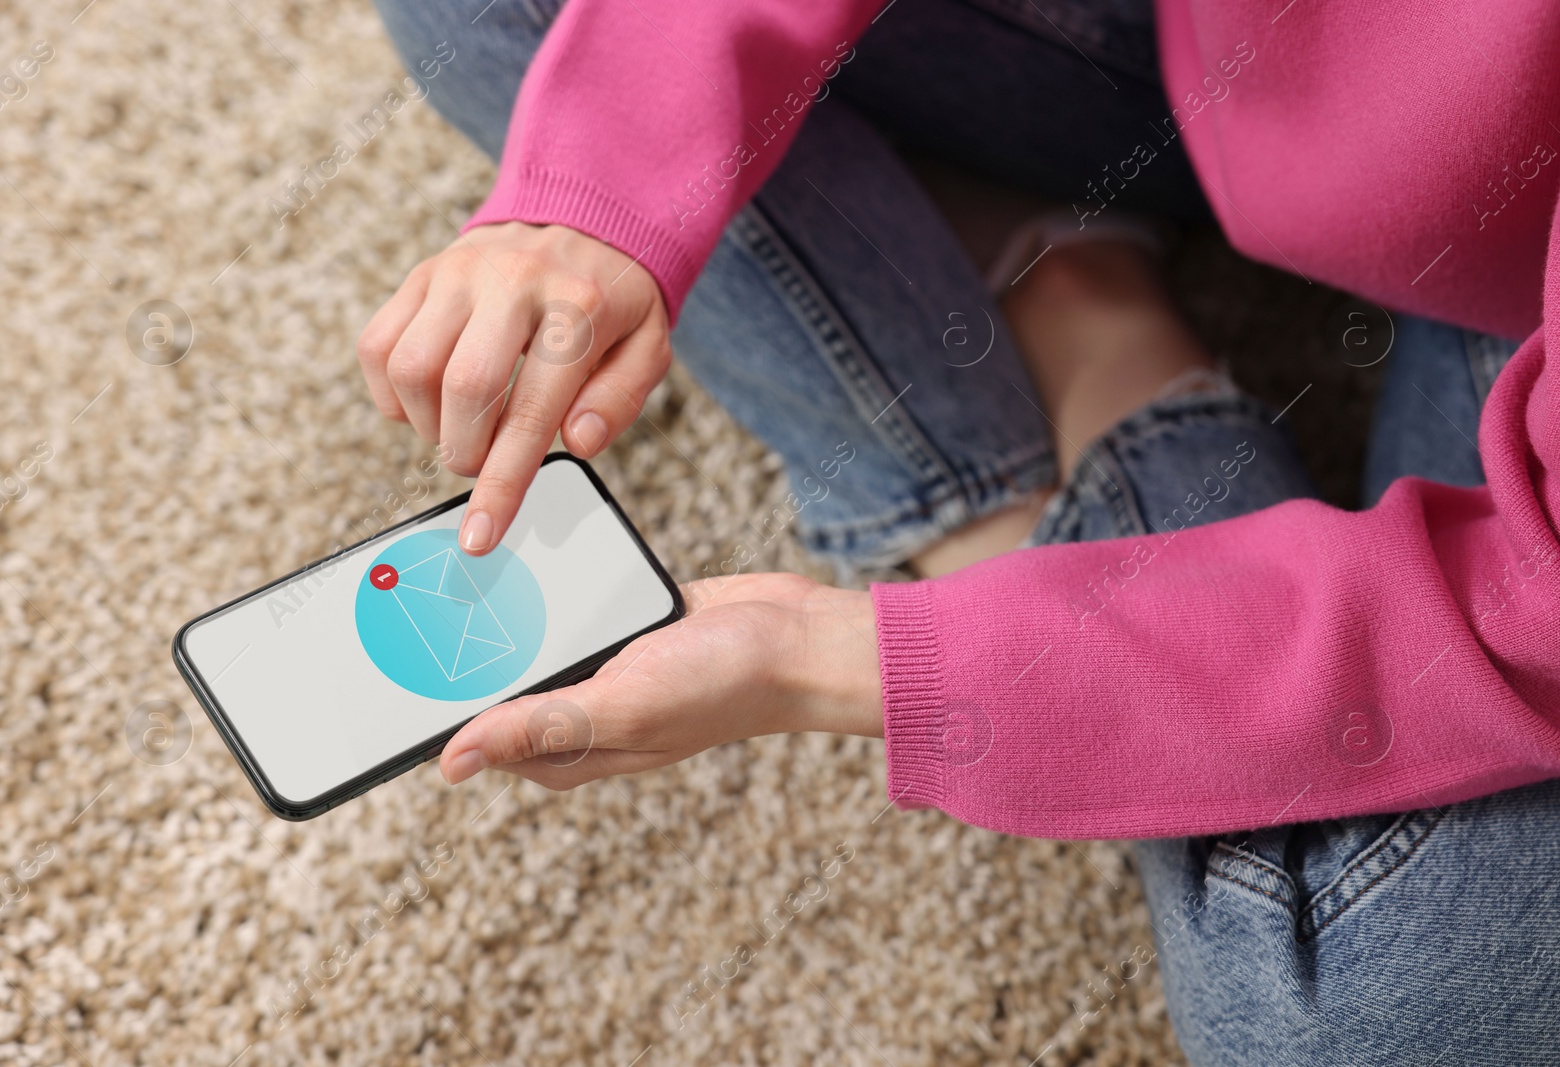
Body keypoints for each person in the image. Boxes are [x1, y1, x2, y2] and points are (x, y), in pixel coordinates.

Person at [362, 0, 1560, 1061]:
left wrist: (858, 656)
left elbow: (1521, 614)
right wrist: (594, 198)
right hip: (1248, 74)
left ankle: (1086, 361)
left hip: (1511, 331)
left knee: (1351, 1016)